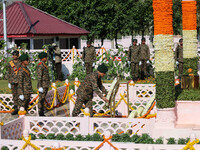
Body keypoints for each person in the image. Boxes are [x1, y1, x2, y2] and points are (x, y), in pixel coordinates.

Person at [7, 50, 21, 115]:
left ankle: (21, 108)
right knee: (14, 95)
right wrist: (9, 82)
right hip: (12, 81)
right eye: (13, 55)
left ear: (18, 55)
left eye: (15, 55)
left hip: (19, 81)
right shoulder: (10, 63)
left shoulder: (20, 62)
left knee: (20, 95)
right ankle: (15, 109)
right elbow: (8, 73)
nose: (14, 56)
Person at [37, 52, 51, 116]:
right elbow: (39, 76)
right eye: (45, 57)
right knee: (41, 99)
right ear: (43, 58)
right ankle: (40, 112)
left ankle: (42, 110)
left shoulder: (44, 64)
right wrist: (40, 86)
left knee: (43, 98)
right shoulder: (40, 65)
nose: (46, 58)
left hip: (45, 84)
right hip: (42, 85)